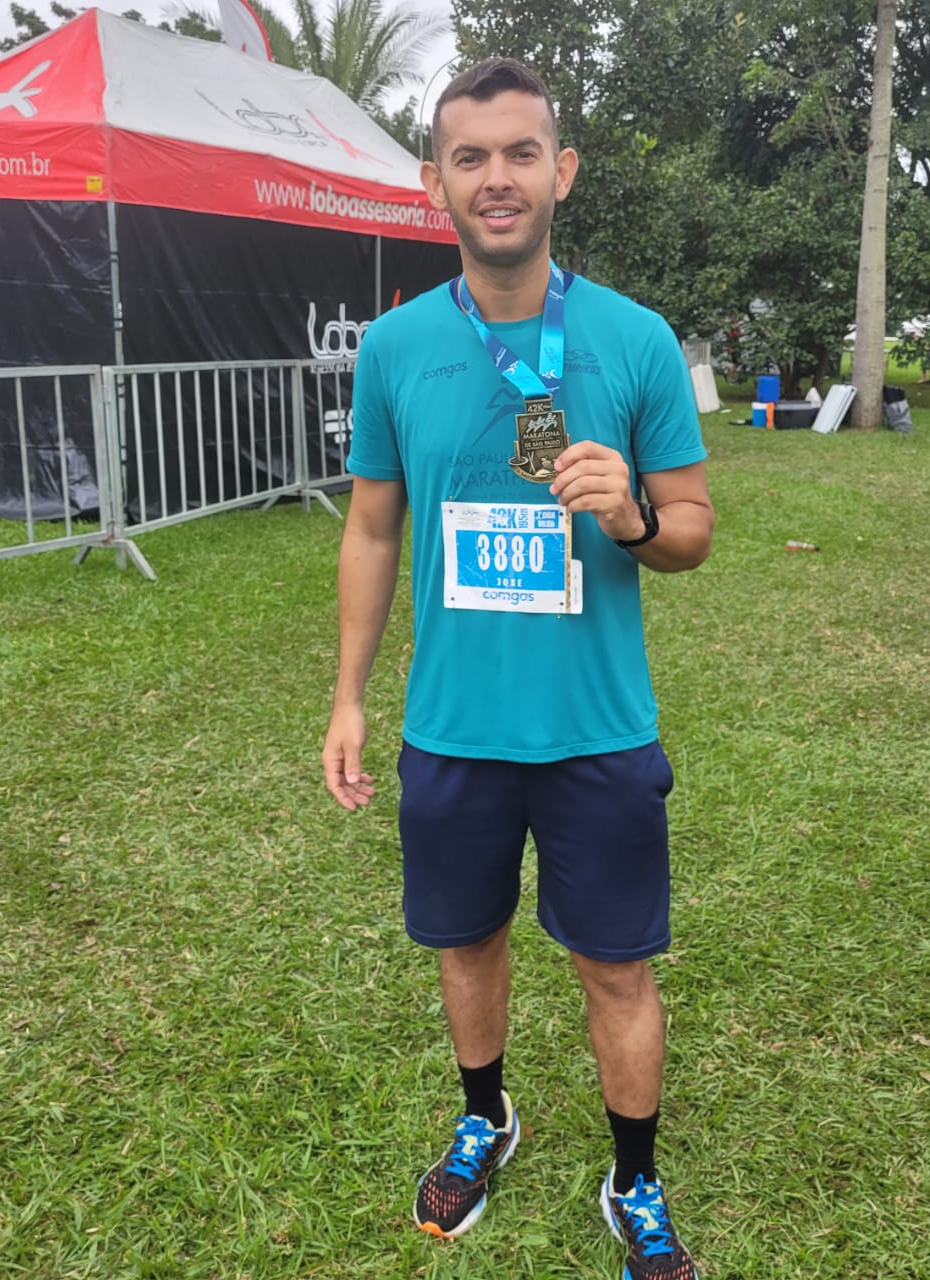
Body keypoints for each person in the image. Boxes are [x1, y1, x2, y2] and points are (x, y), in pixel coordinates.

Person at [321, 56, 714, 1280]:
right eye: (470, 156)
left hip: (595, 727)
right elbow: (373, 525)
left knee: (615, 964)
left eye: (521, 152)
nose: (498, 178)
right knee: (465, 941)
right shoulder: (392, 348)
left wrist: (634, 516)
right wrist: (345, 696)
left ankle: (634, 1179)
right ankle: (484, 1113)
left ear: (562, 172)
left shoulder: (634, 339)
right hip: (452, 727)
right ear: (433, 180)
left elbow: (693, 528)